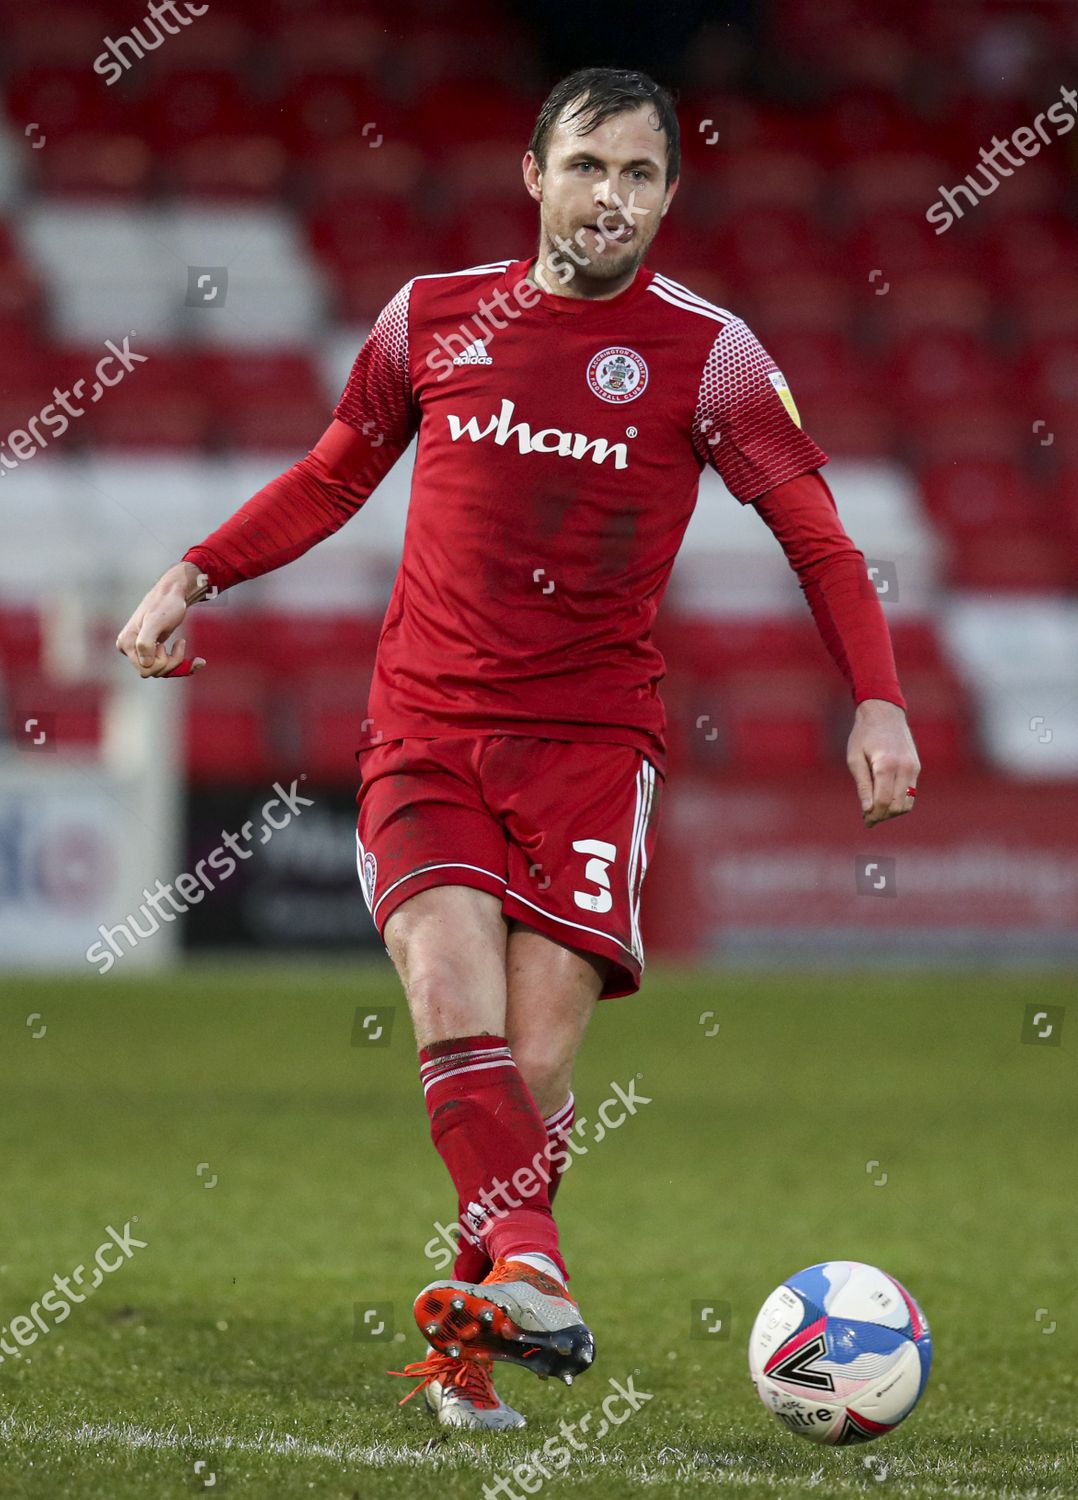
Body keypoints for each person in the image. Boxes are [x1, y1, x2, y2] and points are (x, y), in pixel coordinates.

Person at [117, 66, 920, 1431]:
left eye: (642, 176)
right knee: (448, 990)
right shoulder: (427, 318)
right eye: (590, 166)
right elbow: (332, 472)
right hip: (425, 729)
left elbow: (819, 537)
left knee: (534, 1079)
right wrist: (194, 573)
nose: (613, 197)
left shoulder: (711, 352)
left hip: (592, 747)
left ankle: (467, 1348)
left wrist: (879, 697)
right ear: (533, 173)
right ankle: (534, 1267)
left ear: (669, 196)